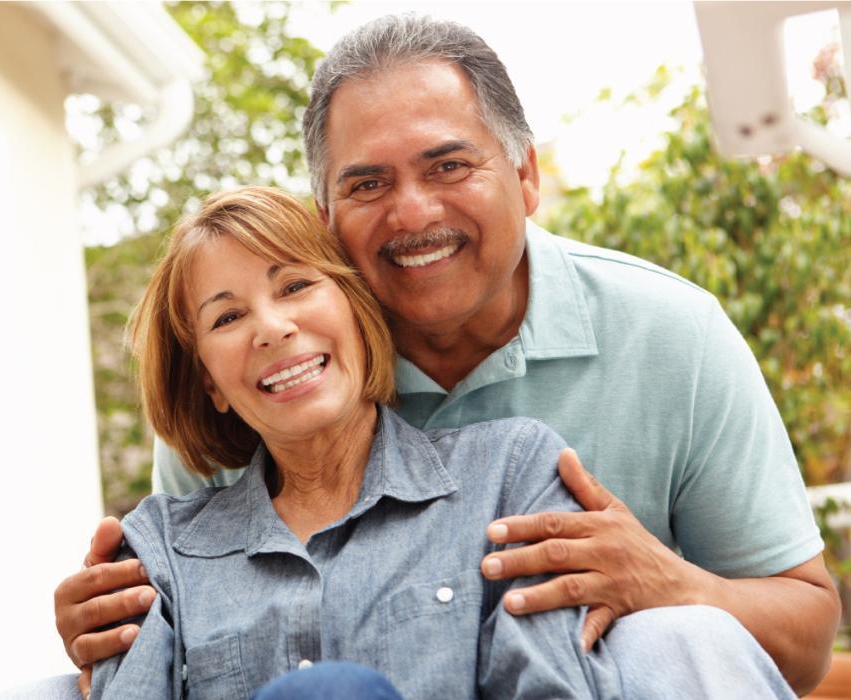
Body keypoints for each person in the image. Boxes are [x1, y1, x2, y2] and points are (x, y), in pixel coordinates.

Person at [54, 14, 839, 697]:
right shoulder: (273, 381)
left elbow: (804, 637)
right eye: (367, 184)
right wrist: (109, 628)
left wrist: (670, 583)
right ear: (326, 218)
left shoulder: (666, 334)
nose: (412, 212)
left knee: (677, 633)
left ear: (525, 175)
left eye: (449, 166)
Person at [83, 185, 788, 699]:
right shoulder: (159, 548)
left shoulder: (510, 474)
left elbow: (551, 686)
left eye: (295, 286)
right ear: (208, 381)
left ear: (357, 311)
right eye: (227, 317)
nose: (271, 328)